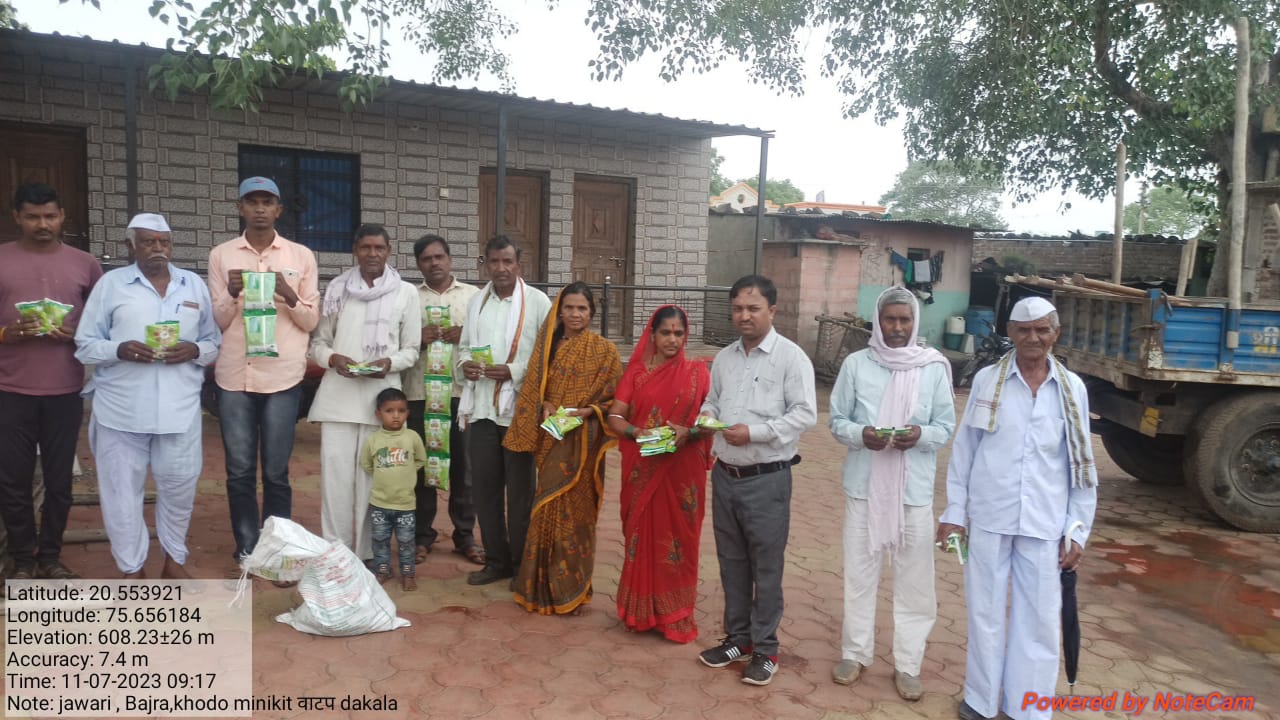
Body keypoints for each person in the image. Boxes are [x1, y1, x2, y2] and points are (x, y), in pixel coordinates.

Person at [939, 296, 1098, 720]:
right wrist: (954, 513)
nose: (1033, 338)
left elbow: (1081, 465)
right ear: (1010, 333)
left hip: (1046, 522)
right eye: (1024, 330)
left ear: (1055, 333)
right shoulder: (988, 380)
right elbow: (965, 451)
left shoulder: (1072, 389)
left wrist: (1077, 529)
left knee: (1040, 619)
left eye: (1042, 330)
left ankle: (1029, 709)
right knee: (984, 611)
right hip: (990, 515)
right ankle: (981, 700)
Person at [75, 213, 221, 578]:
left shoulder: (192, 285)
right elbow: (84, 345)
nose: (158, 249)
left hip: (180, 407)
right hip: (121, 408)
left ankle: (174, 561)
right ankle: (132, 568)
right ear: (131, 246)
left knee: (179, 487)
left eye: (164, 242)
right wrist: (119, 349)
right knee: (122, 494)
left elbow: (213, 342)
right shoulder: (112, 284)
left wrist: (194, 351)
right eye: (148, 242)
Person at [828, 286, 956, 700]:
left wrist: (919, 435)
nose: (897, 328)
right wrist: (860, 434)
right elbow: (837, 420)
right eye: (889, 320)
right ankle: (855, 652)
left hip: (913, 493)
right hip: (865, 488)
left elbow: (945, 427)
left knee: (915, 583)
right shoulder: (856, 364)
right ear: (877, 322)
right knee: (860, 574)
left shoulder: (934, 367)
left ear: (914, 322)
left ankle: (908, 664)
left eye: (904, 320)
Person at [697, 275, 817, 686]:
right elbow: (712, 399)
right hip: (725, 474)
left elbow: (805, 414)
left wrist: (755, 432)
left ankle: (765, 649)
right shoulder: (726, 358)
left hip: (767, 478)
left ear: (772, 311)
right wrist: (706, 416)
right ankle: (738, 639)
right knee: (731, 563)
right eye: (737, 308)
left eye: (753, 308)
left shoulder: (791, 358)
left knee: (766, 567)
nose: (744, 316)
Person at [208, 176, 320, 569]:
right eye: (251, 201)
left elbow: (310, 320)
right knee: (239, 470)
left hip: (282, 376)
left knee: (275, 471)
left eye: (267, 201)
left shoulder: (300, 257)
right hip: (235, 375)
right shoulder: (222, 256)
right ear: (240, 208)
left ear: (279, 210)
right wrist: (232, 294)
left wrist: (287, 293)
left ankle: (278, 548)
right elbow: (218, 321)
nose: (259, 208)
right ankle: (246, 548)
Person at [0, 182, 103, 580]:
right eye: (32, 216)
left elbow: (103, 325)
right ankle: (23, 560)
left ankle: (50, 557)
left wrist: (76, 335)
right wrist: (8, 334)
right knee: (13, 480)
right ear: (17, 217)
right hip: (10, 390)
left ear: (62, 217)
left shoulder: (85, 264)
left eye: (50, 216)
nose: (42, 224)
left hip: (64, 389)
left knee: (60, 481)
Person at [503, 282, 622, 615]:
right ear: (559, 311)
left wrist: (587, 412)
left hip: (583, 444)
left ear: (592, 313)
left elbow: (615, 401)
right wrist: (547, 404)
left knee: (577, 517)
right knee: (545, 508)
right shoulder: (547, 349)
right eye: (569, 307)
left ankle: (571, 590)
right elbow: (536, 388)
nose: (575, 314)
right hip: (552, 440)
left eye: (582, 308)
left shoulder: (605, 351)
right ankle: (538, 588)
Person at [308, 225, 421, 562]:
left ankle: (369, 554)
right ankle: (336, 555)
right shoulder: (337, 289)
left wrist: (387, 363)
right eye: (366, 247)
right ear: (355, 249)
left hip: (383, 404)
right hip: (338, 399)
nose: (373, 254)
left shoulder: (405, 293)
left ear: (389, 251)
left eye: (379, 248)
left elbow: (412, 350)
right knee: (335, 484)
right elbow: (318, 343)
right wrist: (333, 358)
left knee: (375, 484)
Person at [606, 304, 713, 642]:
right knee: (643, 537)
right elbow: (615, 417)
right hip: (643, 466)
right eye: (665, 332)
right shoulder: (636, 373)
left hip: (682, 471)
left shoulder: (699, 373)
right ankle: (640, 613)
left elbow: (710, 419)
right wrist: (636, 433)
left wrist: (689, 432)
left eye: (679, 333)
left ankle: (676, 616)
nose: (672, 339)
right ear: (652, 334)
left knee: (679, 543)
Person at [456, 235, 551, 586]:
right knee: (485, 489)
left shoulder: (538, 302)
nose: (500, 269)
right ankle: (496, 561)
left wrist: (513, 370)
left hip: (519, 412)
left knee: (521, 492)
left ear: (519, 264)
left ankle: (521, 564)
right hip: (481, 408)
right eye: (494, 262)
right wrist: (465, 365)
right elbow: (464, 347)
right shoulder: (476, 302)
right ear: (485, 264)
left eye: (507, 261)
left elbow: (546, 355)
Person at [401, 234, 483, 566]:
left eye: (439, 257)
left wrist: (467, 335)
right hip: (420, 395)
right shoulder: (408, 297)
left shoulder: (474, 296)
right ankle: (422, 537)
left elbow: (488, 338)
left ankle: (465, 536)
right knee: (421, 470)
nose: (434, 263)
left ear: (450, 260)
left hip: (460, 395)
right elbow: (395, 339)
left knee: (465, 470)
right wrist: (417, 340)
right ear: (419, 264)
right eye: (426, 259)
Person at [360, 387, 428, 591]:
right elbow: (366, 465)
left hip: (405, 504)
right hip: (379, 503)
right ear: (378, 414)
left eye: (401, 410)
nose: (396, 416)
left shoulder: (412, 437)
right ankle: (383, 570)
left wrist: (405, 473)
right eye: (389, 411)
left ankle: (408, 574)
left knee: (407, 542)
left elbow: (420, 459)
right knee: (380, 541)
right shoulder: (373, 440)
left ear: (408, 413)